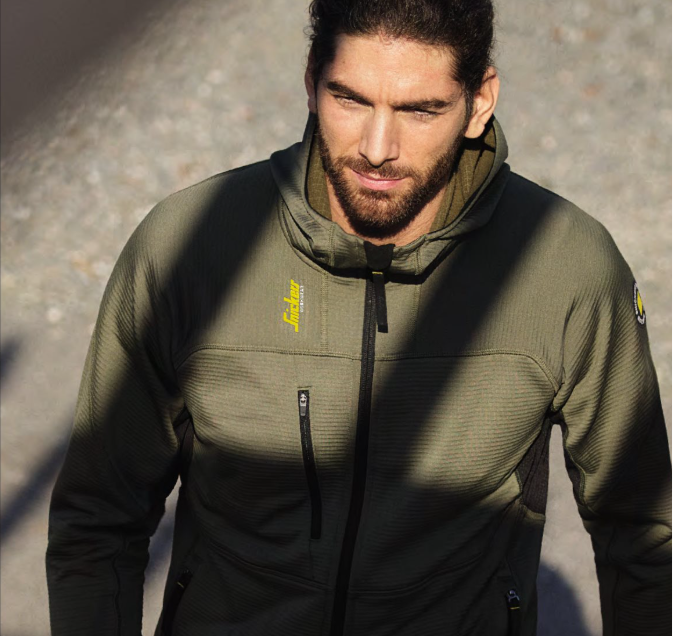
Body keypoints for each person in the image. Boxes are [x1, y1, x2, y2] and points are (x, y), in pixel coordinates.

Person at [46, 1, 672, 634]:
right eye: (349, 100)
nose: (377, 150)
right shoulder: (192, 244)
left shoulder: (566, 267)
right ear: (312, 80)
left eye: (419, 110)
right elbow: (98, 517)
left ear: (479, 101)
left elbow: (643, 535)